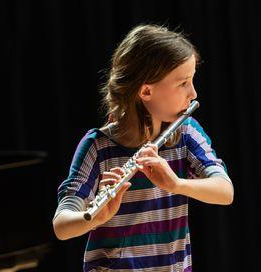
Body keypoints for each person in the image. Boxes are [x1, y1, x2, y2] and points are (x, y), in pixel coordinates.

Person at [53, 24, 233, 271]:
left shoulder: (185, 132)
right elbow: (62, 226)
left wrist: (176, 184)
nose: (193, 93)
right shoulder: (98, 145)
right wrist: (97, 216)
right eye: (183, 83)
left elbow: (225, 191)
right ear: (146, 91)